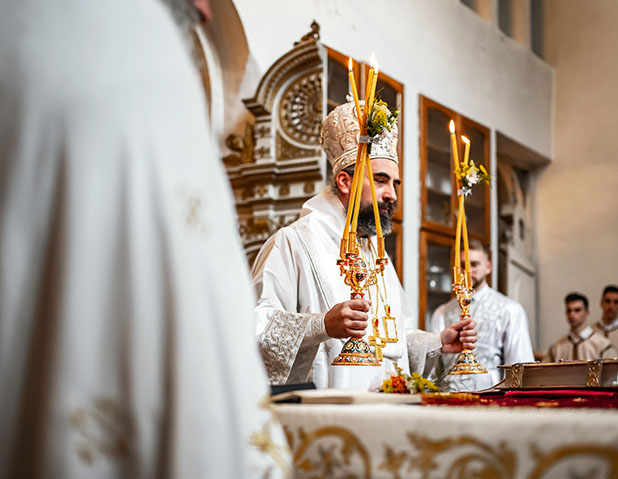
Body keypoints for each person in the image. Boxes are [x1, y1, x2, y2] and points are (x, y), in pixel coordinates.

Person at [0, 1, 287, 477]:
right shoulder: (130, 46)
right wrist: (321, 325)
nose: (206, 12)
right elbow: (232, 333)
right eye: (382, 181)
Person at [252, 101, 477, 389]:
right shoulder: (293, 242)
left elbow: (393, 339)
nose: (392, 195)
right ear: (344, 181)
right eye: (381, 180)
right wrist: (322, 325)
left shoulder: (374, 250)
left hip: (385, 407)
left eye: (395, 184)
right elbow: (256, 327)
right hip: (327, 409)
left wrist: (438, 343)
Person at [429, 240, 534, 391]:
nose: (468, 271)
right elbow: (433, 368)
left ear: (488, 267)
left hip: (492, 395)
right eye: (463, 265)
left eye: (474, 264)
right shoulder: (442, 312)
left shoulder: (510, 310)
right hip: (448, 396)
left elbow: (520, 365)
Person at [545, 293, 618, 362]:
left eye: (577, 310)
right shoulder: (557, 348)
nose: (572, 314)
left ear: (587, 312)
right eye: (569, 311)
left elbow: (613, 370)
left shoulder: (603, 345)